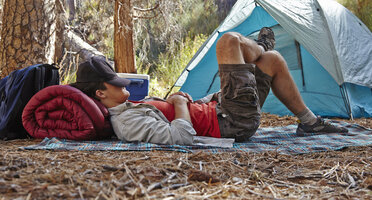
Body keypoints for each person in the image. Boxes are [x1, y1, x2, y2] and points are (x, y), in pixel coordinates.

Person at [70, 27, 347, 145]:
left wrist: (202, 98)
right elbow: (181, 137)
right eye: (116, 83)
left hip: (222, 108)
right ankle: (259, 46)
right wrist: (179, 103)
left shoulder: (129, 107)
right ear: (100, 93)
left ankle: (309, 121)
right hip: (230, 122)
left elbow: (190, 113)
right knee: (228, 42)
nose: (124, 84)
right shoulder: (126, 123)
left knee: (272, 61)